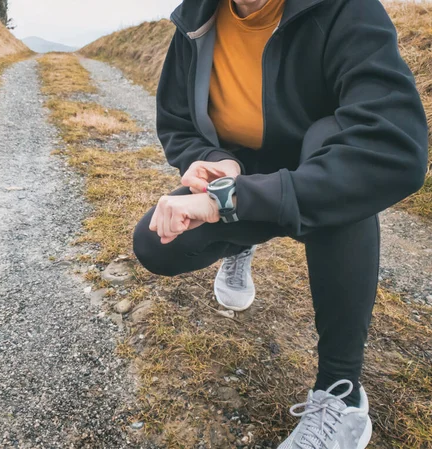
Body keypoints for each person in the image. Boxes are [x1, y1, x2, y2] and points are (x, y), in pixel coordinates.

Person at [132, 0, 428, 447]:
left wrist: (232, 201)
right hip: (243, 176)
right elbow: (176, 123)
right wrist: (215, 162)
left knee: (340, 164)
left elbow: (393, 147)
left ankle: (341, 392)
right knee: (155, 243)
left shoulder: (347, 9)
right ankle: (240, 240)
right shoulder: (195, 20)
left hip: (318, 174)